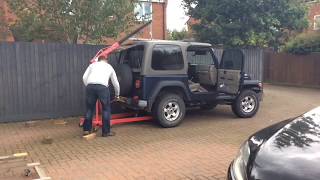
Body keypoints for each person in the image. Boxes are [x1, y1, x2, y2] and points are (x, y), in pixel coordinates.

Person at [82, 55, 120, 137]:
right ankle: (106, 132)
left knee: (89, 109)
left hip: (90, 86)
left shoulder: (92, 65)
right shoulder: (109, 67)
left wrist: (88, 86)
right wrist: (117, 94)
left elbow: (84, 77)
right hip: (103, 88)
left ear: (98, 60)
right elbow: (115, 82)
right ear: (106, 60)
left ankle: (86, 130)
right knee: (106, 109)